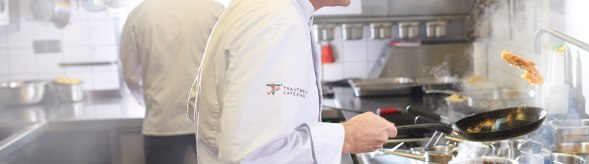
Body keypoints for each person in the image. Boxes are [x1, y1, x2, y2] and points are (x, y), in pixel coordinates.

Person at [187, 0, 398, 163]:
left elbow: (197, 104)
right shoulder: (278, 24)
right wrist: (346, 136)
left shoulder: (263, 10)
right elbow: (255, 156)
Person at [118, 0, 224, 163]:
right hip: (209, 124)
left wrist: (148, 101)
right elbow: (230, 66)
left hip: (162, 123)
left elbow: (129, 74)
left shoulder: (141, 14)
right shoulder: (216, 11)